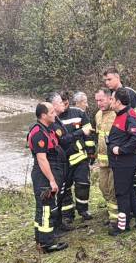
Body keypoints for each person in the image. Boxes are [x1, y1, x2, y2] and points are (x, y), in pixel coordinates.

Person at [26, 101, 68, 253]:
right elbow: (42, 159)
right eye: (52, 113)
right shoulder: (38, 133)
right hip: (43, 175)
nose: (55, 114)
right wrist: (51, 180)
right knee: (46, 209)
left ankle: (41, 240)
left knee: (43, 208)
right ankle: (46, 244)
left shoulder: (47, 129)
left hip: (49, 171)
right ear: (43, 115)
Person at [107, 89, 136, 236]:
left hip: (125, 162)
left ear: (118, 102)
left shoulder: (130, 115)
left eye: (112, 99)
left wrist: (121, 150)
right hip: (120, 162)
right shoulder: (120, 114)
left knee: (121, 194)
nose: (110, 101)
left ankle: (122, 226)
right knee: (128, 192)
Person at [55, 92, 95, 222]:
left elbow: (89, 132)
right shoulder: (52, 117)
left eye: (65, 102)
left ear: (68, 101)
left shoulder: (79, 113)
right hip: (63, 161)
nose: (64, 105)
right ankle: (67, 215)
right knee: (65, 188)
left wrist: (91, 151)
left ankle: (83, 210)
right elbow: (60, 140)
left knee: (83, 184)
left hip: (79, 157)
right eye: (61, 103)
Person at [93, 88, 118, 227]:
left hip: (115, 160)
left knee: (114, 189)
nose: (99, 103)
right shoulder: (98, 115)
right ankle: (111, 213)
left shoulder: (117, 114)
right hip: (103, 162)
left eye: (101, 100)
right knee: (103, 187)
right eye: (97, 100)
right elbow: (99, 136)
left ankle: (115, 219)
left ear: (110, 99)